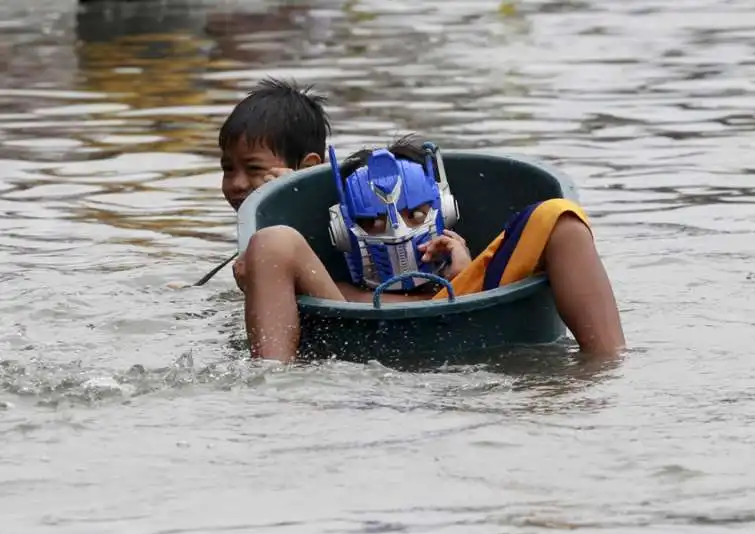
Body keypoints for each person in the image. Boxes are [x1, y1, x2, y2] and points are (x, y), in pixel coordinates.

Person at [241, 134, 626, 362]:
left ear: (444, 212)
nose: (396, 232)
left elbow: (556, 231)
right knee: (271, 241)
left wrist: (462, 277)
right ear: (342, 231)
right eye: (371, 221)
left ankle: (609, 367)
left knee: (560, 217)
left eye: (415, 215)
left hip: (479, 324)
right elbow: (271, 255)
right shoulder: (335, 291)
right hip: (361, 345)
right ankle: (271, 390)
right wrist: (255, 268)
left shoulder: (475, 273)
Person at [217, 76, 331, 290]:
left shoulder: (338, 225)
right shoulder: (256, 231)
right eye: (228, 169)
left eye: (254, 169)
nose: (237, 184)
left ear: (307, 169)